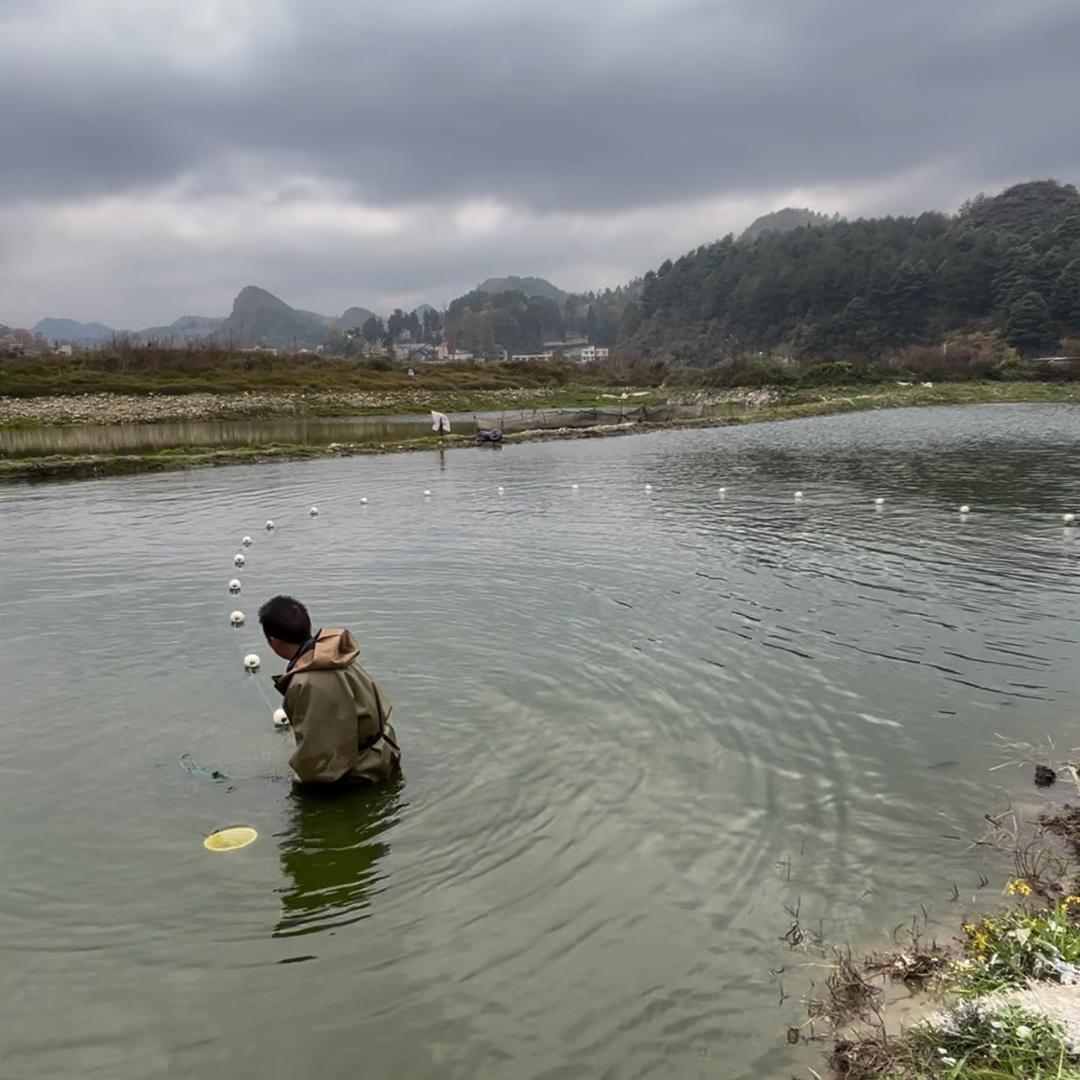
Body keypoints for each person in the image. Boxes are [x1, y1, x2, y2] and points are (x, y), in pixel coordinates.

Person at [258, 595, 401, 784]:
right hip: (385, 753)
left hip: (361, 774)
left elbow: (318, 756)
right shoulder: (338, 654)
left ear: (274, 641)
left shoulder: (305, 681)